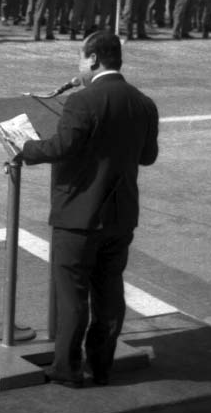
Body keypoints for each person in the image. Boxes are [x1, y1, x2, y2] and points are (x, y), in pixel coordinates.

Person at [17, 30, 159, 387]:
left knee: (73, 297)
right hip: (119, 215)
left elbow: (61, 147)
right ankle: (101, 367)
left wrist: (25, 147)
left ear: (93, 59)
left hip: (78, 217)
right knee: (109, 294)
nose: (79, 66)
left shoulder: (83, 101)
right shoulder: (143, 102)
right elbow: (148, 156)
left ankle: (67, 369)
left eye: (80, 58)